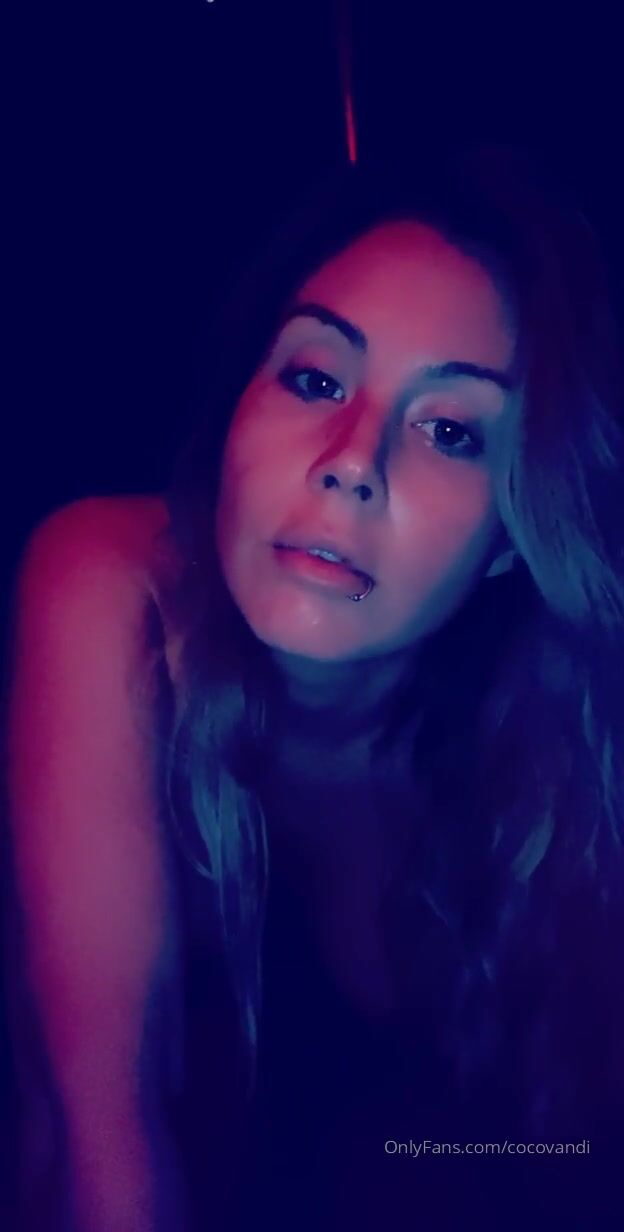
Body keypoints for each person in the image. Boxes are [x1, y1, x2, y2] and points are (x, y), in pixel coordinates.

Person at [5, 141, 624, 1232]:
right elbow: (108, 1159)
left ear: (510, 539)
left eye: (451, 430)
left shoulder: (558, 761)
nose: (351, 458)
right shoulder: (110, 589)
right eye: (315, 378)